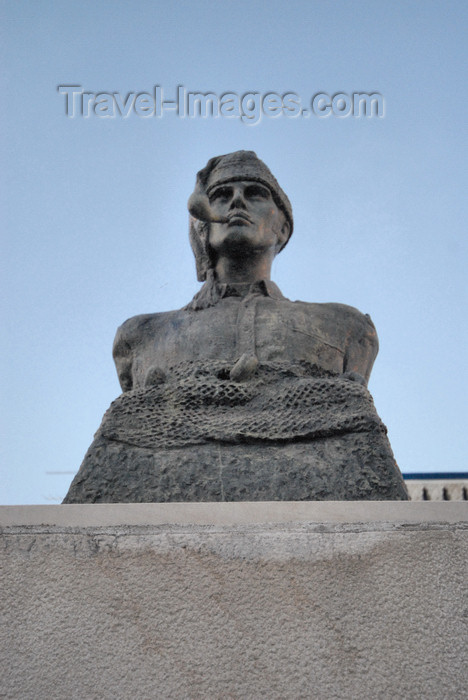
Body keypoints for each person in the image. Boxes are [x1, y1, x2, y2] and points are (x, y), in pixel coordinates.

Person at [64, 151, 408, 503]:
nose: (237, 201)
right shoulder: (142, 335)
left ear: (283, 227)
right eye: (221, 195)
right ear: (204, 224)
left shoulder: (344, 326)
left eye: (255, 193)